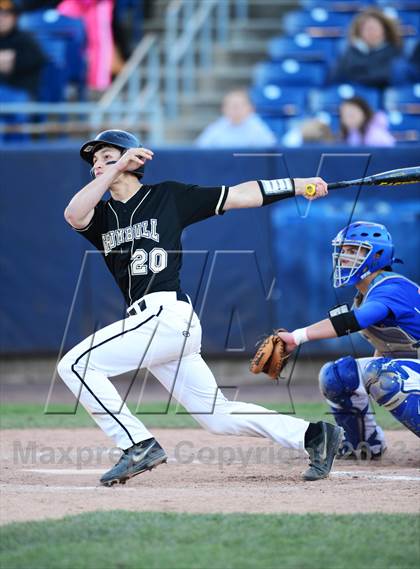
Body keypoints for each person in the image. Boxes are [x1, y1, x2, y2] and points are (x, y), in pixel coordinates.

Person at [57, 128, 343, 486]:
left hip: (166, 316)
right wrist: (114, 169)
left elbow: (242, 195)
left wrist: (300, 184)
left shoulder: (168, 197)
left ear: (132, 159)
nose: (97, 165)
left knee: (75, 365)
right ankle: (314, 436)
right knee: (218, 416)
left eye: (106, 156)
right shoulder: (101, 217)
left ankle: (136, 444)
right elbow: (73, 214)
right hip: (154, 324)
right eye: (94, 162)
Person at [277, 221, 419, 459]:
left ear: (377, 254)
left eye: (354, 251)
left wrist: (296, 337)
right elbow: (387, 351)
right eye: (343, 250)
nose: (344, 257)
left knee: (386, 377)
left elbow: (357, 320)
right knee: (338, 375)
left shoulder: (391, 287)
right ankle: (363, 445)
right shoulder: (365, 295)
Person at [330, 8, 403, 88]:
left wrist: (358, 73)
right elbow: (336, 77)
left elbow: (386, 76)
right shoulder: (350, 53)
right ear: (359, 33)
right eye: (366, 29)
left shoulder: (394, 52)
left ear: (384, 31)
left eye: (374, 28)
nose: (371, 32)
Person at [57, 0, 114, 93]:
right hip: (74, 6)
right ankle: (70, 82)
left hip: (97, 5)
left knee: (99, 44)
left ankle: (98, 85)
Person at [195, 89, 277, 148]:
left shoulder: (258, 128)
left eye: (238, 106)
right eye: (230, 106)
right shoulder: (217, 127)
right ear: (223, 109)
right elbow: (200, 149)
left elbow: (269, 153)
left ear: (250, 108)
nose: (234, 109)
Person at [0, 0, 46, 99]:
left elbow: (38, 60)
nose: (1, 19)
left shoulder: (25, 40)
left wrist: (13, 62)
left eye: (6, 15)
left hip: (19, 92)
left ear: (15, 18)